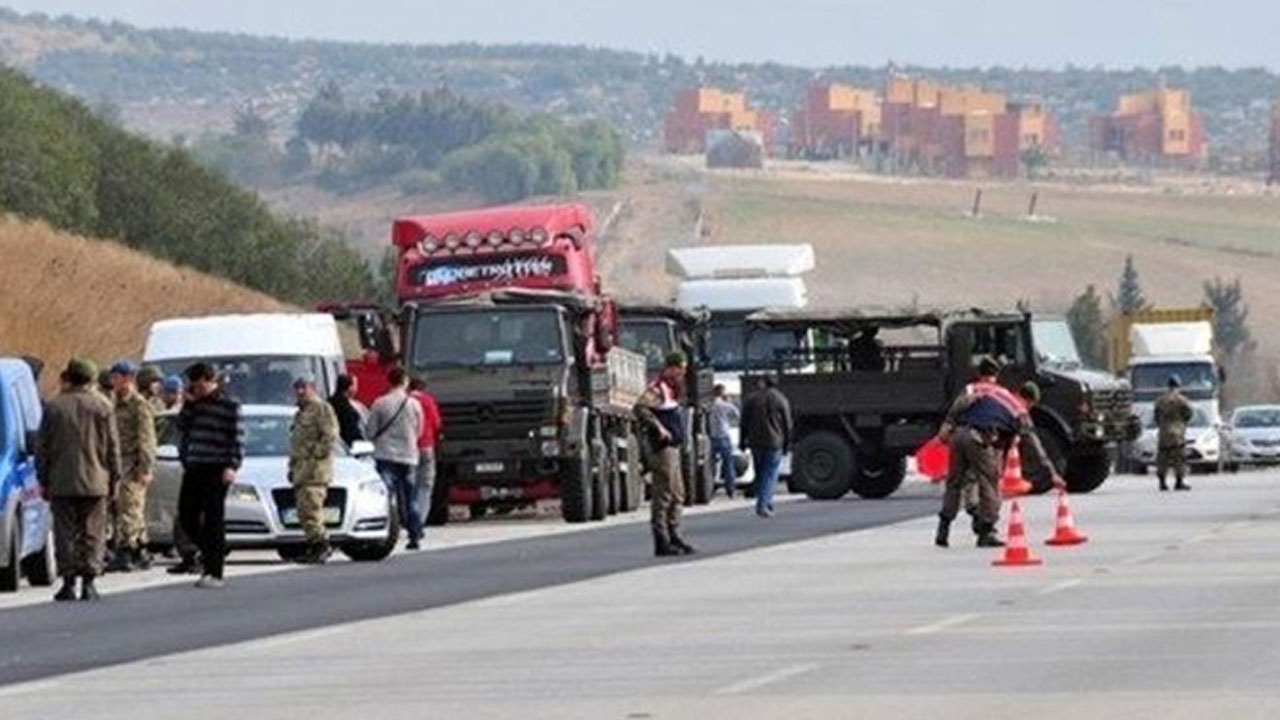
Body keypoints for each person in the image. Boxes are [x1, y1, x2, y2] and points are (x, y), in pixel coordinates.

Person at [935, 357, 1062, 548]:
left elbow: (960, 404)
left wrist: (948, 424)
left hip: (958, 436)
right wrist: (1052, 473)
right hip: (979, 439)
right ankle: (986, 532)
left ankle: (943, 530)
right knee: (990, 484)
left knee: (954, 483)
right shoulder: (1016, 406)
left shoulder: (977, 388)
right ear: (1030, 401)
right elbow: (1033, 445)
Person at [36, 358, 121, 602]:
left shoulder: (54, 408)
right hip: (96, 481)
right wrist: (115, 477)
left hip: (61, 481)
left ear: (69, 377)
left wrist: (43, 478)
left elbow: (43, 448)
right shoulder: (103, 406)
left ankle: (68, 582)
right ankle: (89, 582)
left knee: (65, 532)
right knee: (93, 532)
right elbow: (112, 447)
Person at [176, 362, 244, 589]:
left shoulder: (230, 404)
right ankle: (213, 549)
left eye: (197, 385)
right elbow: (181, 426)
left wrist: (232, 465)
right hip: (195, 465)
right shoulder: (194, 403)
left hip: (218, 467)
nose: (195, 389)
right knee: (187, 515)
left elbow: (237, 438)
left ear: (208, 380)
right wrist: (187, 405)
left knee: (213, 518)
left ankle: (214, 572)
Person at [635, 352, 695, 557]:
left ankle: (674, 534)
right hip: (662, 449)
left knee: (678, 493)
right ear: (670, 368)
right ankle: (661, 539)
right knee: (664, 493)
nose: (683, 373)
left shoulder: (672, 390)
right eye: (680, 368)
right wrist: (658, 427)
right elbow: (640, 407)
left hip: (674, 448)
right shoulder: (657, 388)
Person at [105, 360, 158, 573]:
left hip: (132, 462)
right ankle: (139, 549)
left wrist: (145, 469)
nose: (113, 381)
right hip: (116, 462)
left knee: (129, 507)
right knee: (123, 508)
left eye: (117, 377)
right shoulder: (112, 403)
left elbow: (147, 439)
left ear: (128, 379)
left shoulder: (139, 405)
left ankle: (126, 551)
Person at [367, 367, 425, 549]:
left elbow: (370, 430)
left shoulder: (379, 403)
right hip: (408, 455)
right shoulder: (414, 404)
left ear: (389, 381)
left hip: (385, 454)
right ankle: (414, 534)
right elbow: (420, 430)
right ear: (405, 381)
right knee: (411, 497)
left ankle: (386, 531)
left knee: (386, 496)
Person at [289, 374, 340, 564]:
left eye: (304, 387)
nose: (300, 391)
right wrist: (292, 465)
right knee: (304, 511)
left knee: (311, 509)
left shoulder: (322, 409)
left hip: (315, 471)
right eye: (297, 387)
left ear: (313, 388)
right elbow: (296, 443)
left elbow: (330, 436)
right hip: (301, 470)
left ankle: (321, 545)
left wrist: (314, 455)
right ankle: (313, 544)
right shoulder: (301, 412)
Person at [739, 375, 793, 519]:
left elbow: (744, 422)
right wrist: (788, 443)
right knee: (770, 474)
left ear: (762, 383)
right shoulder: (781, 399)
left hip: (756, 442)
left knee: (761, 473)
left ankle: (765, 502)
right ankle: (763, 504)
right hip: (774, 442)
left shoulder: (751, 399)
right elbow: (787, 425)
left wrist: (742, 441)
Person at [408, 375, 444, 528]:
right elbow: (437, 424)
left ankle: (410, 515)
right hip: (427, 445)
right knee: (425, 485)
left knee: (410, 484)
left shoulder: (405, 401)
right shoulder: (428, 401)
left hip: (408, 447)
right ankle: (421, 518)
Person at [1154, 376, 1194, 492]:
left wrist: (1162, 425)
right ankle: (1179, 482)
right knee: (1179, 458)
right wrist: (1182, 422)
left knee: (1162, 458)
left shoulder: (1160, 400)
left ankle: (1162, 483)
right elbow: (1189, 414)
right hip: (1177, 432)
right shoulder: (1182, 399)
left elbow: (1156, 416)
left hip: (1164, 432)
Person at [708, 384, 740, 499]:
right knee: (728, 464)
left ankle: (709, 489)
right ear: (722, 393)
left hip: (712, 437)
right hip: (724, 436)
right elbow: (737, 415)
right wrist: (729, 401)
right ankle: (730, 490)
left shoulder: (710, 405)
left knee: (710, 465)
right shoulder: (726, 405)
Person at [330, 374, 366, 448]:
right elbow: (351, 432)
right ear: (350, 388)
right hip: (345, 449)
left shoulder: (328, 402)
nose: (357, 388)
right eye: (355, 385)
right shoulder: (346, 409)